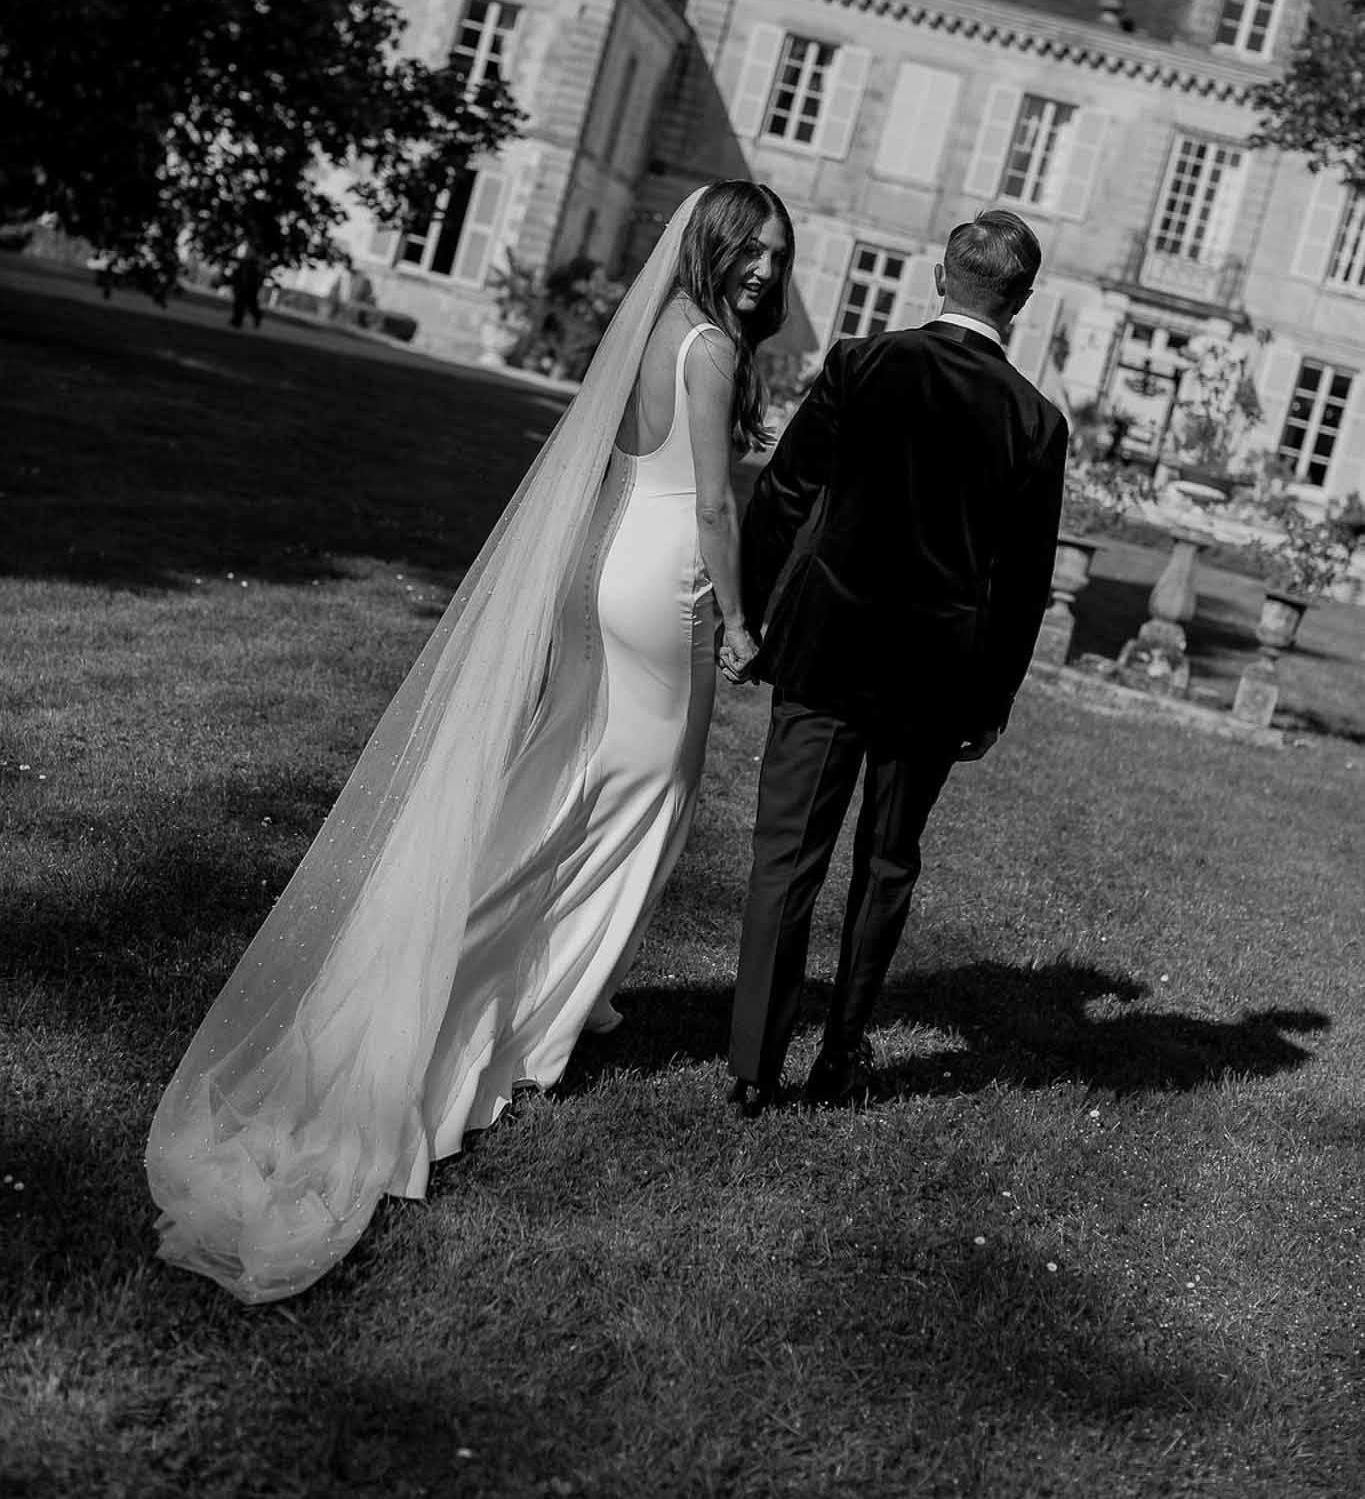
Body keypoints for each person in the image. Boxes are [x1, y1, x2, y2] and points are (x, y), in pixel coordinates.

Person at [147, 180, 792, 1303]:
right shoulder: (710, 352)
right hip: (667, 585)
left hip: (606, 568)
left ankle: (544, 991)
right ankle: (494, 991)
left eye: (781, 256)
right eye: (754, 249)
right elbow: (717, 510)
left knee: (578, 778)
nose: (768, 271)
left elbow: (618, 465)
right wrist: (739, 620)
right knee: (641, 797)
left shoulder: (654, 327)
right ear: (713, 244)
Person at [725, 208, 1068, 1114]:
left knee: (785, 854)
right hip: (935, 675)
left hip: (825, 646)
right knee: (886, 862)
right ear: (1020, 302)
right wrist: (990, 700)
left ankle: (753, 1069)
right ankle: (839, 1059)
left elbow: (784, 496)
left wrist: (749, 619)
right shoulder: (1035, 419)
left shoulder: (862, 362)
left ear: (937, 279)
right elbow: (1024, 584)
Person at [228, 245, 265, 329]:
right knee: (240, 302)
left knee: (250, 304)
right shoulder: (245, 262)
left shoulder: (254, 264)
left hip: (250, 287)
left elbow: (255, 277)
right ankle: (237, 320)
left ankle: (255, 317)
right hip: (244, 286)